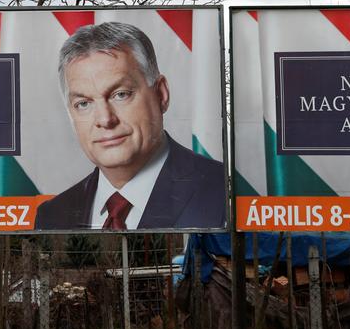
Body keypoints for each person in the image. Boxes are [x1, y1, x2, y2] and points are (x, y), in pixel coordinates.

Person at [34, 22, 225, 230]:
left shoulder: (223, 192)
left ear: (161, 94)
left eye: (120, 95)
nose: (105, 120)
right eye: (84, 104)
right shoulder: (51, 216)